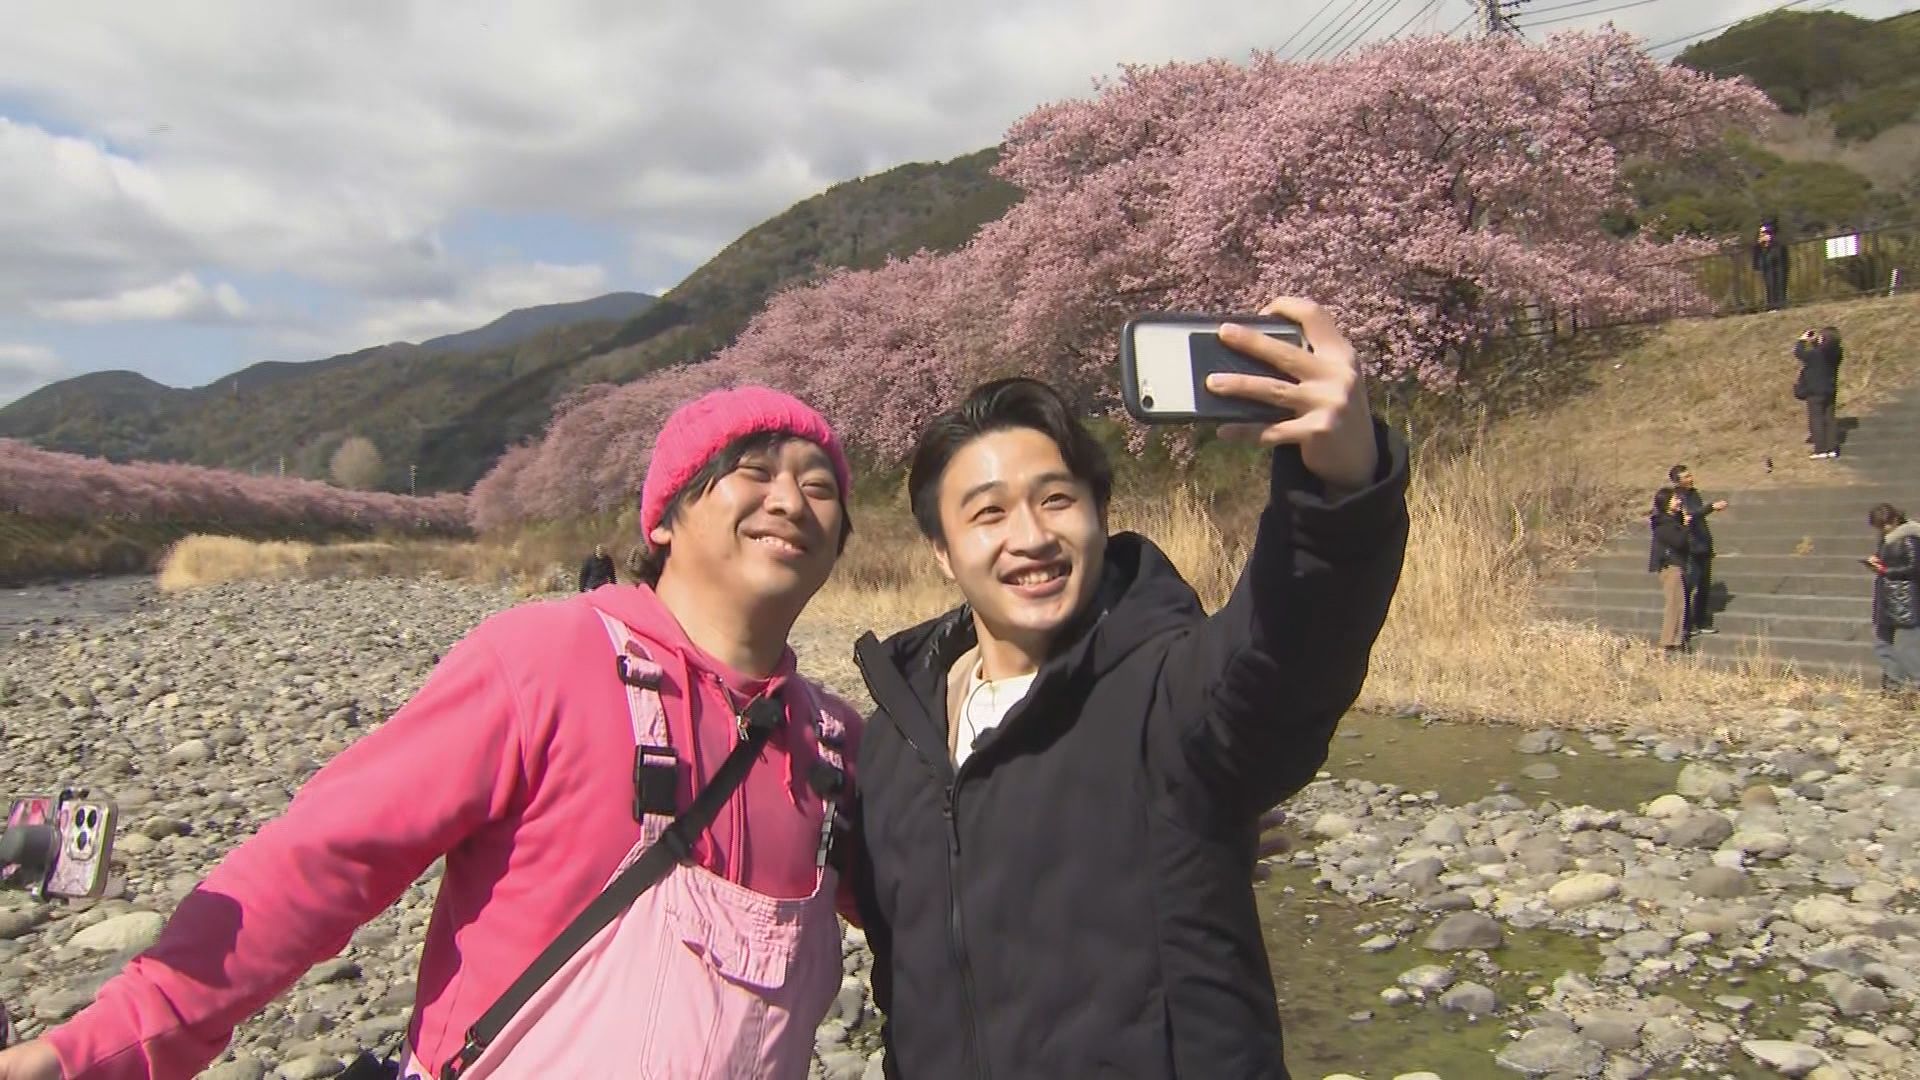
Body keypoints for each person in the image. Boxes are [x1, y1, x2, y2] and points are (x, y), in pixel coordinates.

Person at [0, 387, 866, 1080]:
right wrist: (101, 1051)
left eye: (819, 485)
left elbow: (952, 915)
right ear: (664, 517)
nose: (789, 498)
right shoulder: (546, 659)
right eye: (752, 471)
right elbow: (324, 863)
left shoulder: (834, 742)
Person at [849, 298, 1410, 1078]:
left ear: (1100, 514)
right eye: (988, 514)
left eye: (1056, 499)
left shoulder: (1170, 692)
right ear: (943, 552)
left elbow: (1287, 657)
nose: (1031, 537)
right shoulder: (894, 740)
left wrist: (1339, 487)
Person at [1866, 503, 1920, 693]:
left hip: (1905, 599)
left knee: (1908, 648)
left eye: (1884, 525)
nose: (1881, 529)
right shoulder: (1886, 539)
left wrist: (1885, 570)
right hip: (1887, 598)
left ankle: (1913, 685)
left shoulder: (1910, 539)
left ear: (1895, 520)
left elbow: (1915, 568)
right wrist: (1876, 561)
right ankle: (1894, 685)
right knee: (1883, 645)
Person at [1668, 465, 1727, 636]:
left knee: (1704, 586)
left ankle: (1700, 622)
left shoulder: (1694, 493)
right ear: (1677, 481)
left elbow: (1699, 520)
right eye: (1686, 477)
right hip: (1691, 548)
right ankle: (1685, 625)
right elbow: (1690, 516)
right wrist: (1711, 507)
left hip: (1703, 545)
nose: (1690, 478)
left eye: (1690, 475)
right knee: (1688, 586)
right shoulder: (1679, 497)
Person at [1649, 486, 1694, 652]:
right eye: (1675, 499)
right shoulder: (1664, 523)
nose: (1679, 501)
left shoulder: (1671, 520)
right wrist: (1685, 526)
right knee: (1674, 603)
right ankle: (1668, 641)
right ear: (1666, 503)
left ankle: (1675, 639)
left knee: (1679, 603)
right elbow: (1679, 542)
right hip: (1670, 566)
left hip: (1676, 565)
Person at [1794, 326, 1843, 459]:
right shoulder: (1837, 352)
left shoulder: (1817, 355)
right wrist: (1815, 342)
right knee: (1829, 419)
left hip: (1815, 391)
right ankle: (1831, 448)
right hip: (1830, 389)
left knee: (1816, 419)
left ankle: (1820, 449)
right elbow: (1820, 354)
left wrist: (1801, 341)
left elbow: (1800, 354)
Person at [1752, 219, 1789, 311]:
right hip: (1767, 267)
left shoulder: (1778, 241)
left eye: (1764, 233)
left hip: (1779, 265)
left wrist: (1771, 241)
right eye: (1761, 233)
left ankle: (1780, 305)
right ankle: (1771, 306)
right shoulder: (1760, 244)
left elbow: (1781, 249)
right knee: (1770, 285)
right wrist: (1759, 244)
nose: (1762, 235)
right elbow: (1756, 254)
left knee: (1780, 285)